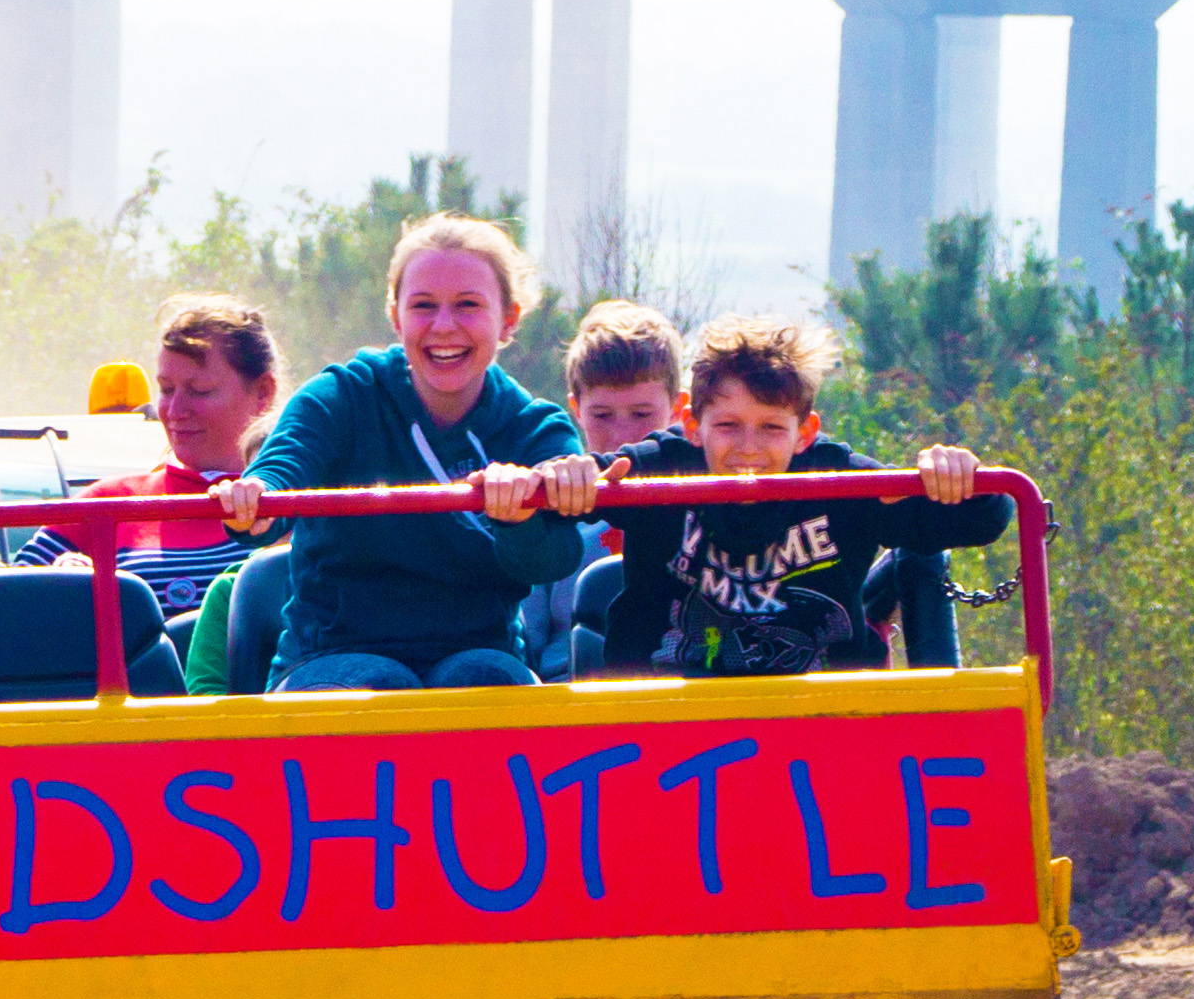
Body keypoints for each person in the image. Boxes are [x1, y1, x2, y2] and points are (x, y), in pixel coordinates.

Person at [217, 215, 594, 691]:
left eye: (468, 305)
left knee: (484, 678)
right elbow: (284, 464)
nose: (444, 326)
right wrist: (257, 496)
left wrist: (524, 518)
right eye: (423, 305)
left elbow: (554, 559)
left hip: (483, 655)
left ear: (509, 320)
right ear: (396, 317)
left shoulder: (535, 428)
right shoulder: (341, 396)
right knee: (379, 682)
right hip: (328, 655)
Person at [592, 315, 992, 679]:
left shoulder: (842, 480)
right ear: (693, 427)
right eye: (729, 425)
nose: (749, 448)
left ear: (804, 433)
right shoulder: (662, 467)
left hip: (821, 710)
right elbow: (585, 483)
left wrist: (959, 476)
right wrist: (571, 477)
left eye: (771, 428)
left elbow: (984, 518)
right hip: (666, 710)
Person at [27, 292, 282, 619]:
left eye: (200, 390)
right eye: (166, 389)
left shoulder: (302, 504)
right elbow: (4, 602)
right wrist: (58, 580)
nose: (175, 411)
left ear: (263, 392)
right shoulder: (106, 504)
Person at [559, 296, 685, 467]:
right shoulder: (557, 478)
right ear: (577, 410)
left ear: (677, 407)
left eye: (641, 414)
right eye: (602, 415)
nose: (622, 438)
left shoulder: (709, 477)